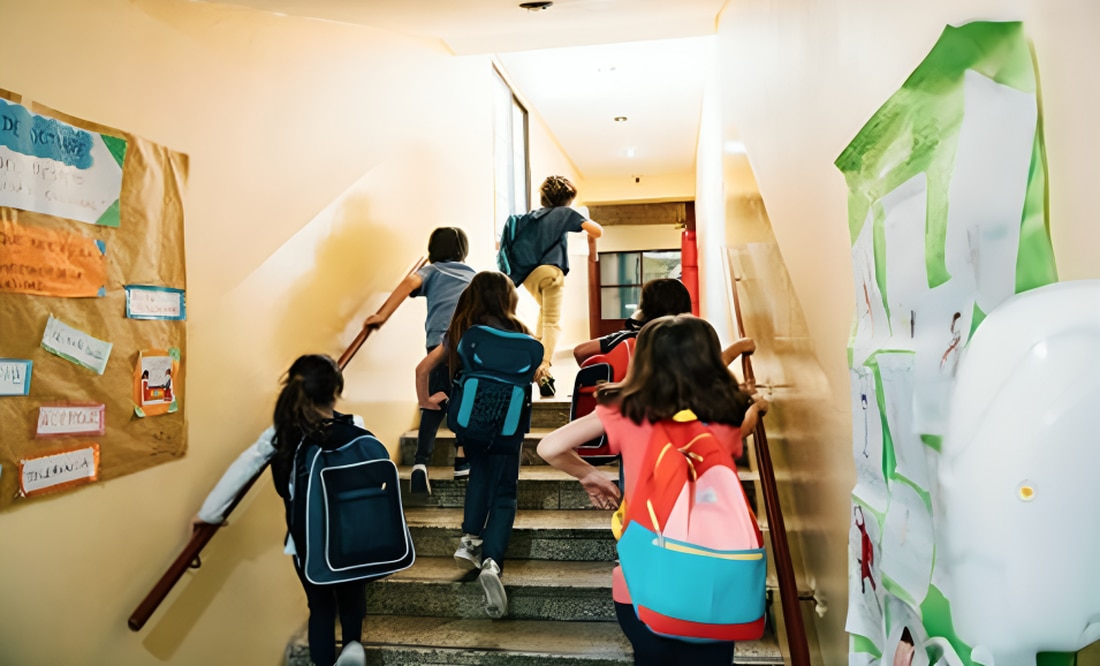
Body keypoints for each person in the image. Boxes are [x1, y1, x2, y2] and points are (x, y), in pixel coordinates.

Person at [538, 315, 767, 666]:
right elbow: (741, 431)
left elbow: (549, 447)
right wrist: (759, 409)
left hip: (644, 580)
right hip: (718, 582)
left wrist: (589, 475)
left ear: (645, 360)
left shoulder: (627, 410)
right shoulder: (724, 410)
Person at [194, 355, 370, 666]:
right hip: (351, 535)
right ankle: (353, 645)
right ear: (336, 390)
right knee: (352, 597)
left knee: (320, 608)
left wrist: (209, 514)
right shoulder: (354, 425)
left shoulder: (281, 434)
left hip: (307, 539)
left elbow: (243, 468)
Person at [415, 271, 539, 619]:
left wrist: (427, 401)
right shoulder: (521, 332)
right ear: (508, 299)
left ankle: (470, 540)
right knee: (505, 494)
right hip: (509, 425)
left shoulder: (460, 331)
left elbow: (423, 369)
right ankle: (492, 563)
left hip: (470, 422)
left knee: (479, 474)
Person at [363, 227, 477, 494]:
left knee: (433, 400)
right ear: (463, 251)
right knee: (462, 398)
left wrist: (382, 315)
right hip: (466, 343)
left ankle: (420, 463)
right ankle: (462, 459)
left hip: (438, 342)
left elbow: (407, 284)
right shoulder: (472, 275)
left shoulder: (433, 271)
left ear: (433, 250)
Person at [500, 175, 603, 397]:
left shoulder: (526, 219)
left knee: (543, 317)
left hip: (528, 277)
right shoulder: (564, 213)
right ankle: (543, 367)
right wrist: (588, 239)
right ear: (567, 200)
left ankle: (535, 360)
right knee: (552, 322)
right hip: (551, 272)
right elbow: (597, 230)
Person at [572, 277, 757, 370]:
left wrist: (610, 368)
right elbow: (716, 365)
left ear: (646, 307)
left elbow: (581, 351)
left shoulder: (634, 337)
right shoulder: (695, 336)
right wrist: (742, 345)